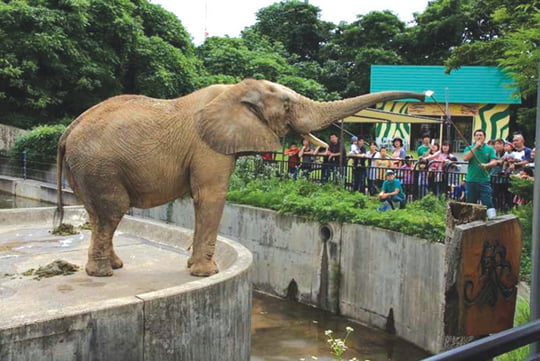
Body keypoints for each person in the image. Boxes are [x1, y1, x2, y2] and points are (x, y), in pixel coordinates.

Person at [463, 129, 499, 219]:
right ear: (474, 137)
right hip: (471, 180)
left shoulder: (490, 149)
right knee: (471, 201)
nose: (479, 137)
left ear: (484, 137)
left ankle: (492, 219)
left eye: (481, 135)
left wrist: (487, 165)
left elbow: (494, 162)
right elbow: (465, 158)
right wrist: (475, 147)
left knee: (487, 200)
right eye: (477, 135)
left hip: (484, 180)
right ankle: (471, 219)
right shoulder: (469, 148)